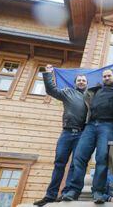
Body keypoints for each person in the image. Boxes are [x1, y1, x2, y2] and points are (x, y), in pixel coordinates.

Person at [62, 62, 113, 204]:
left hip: (107, 126)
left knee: (101, 158)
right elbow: (79, 99)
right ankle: (73, 190)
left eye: (109, 75)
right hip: (90, 126)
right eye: (104, 76)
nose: (106, 78)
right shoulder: (93, 90)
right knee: (79, 157)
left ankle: (98, 192)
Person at [33, 65, 88, 206]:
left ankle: (67, 193)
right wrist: (48, 74)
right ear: (75, 83)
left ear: (87, 83)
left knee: (75, 165)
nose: (81, 82)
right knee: (59, 164)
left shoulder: (90, 96)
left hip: (82, 134)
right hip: (67, 133)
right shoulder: (67, 92)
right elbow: (51, 90)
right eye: (79, 80)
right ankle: (50, 195)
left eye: (83, 80)